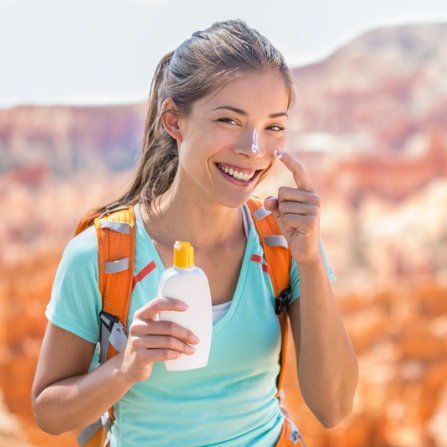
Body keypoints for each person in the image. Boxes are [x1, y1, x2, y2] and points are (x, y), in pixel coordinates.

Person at [32, 19, 358, 446]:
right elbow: (48, 412)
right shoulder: (98, 254)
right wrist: (125, 368)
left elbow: (333, 407)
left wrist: (311, 261)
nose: (253, 149)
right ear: (174, 121)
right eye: (229, 120)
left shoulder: (284, 242)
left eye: (273, 126)